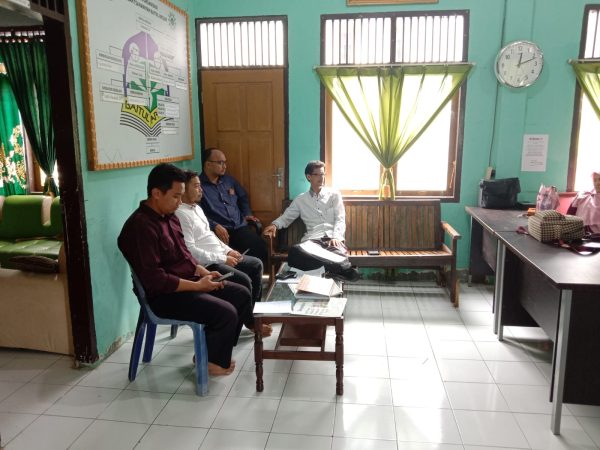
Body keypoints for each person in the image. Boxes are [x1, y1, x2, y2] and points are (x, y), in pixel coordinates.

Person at [118, 163, 254, 376]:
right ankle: (210, 361)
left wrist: (202, 272)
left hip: (188, 282)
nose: (180, 202)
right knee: (226, 312)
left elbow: (185, 255)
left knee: (241, 294)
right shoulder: (140, 227)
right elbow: (156, 280)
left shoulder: (169, 216)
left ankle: (212, 351)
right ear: (156, 193)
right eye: (176, 196)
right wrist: (198, 286)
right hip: (164, 296)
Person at [175, 170, 266, 312]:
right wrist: (223, 258)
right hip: (209, 264)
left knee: (256, 264)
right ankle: (249, 318)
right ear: (183, 189)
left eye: (200, 185)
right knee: (244, 280)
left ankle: (255, 312)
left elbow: (210, 235)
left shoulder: (197, 208)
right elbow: (190, 251)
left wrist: (229, 251)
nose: (201, 190)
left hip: (221, 256)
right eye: (196, 186)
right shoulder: (180, 214)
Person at [263, 160, 360, 281]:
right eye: (317, 174)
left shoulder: (334, 195)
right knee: (295, 251)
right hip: (312, 242)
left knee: (337, 256)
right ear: (309, 177)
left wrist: (336, 237)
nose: (321, 177)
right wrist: (274, 225)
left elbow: (340, 218)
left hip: (332, 241)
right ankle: (340, 269)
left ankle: (333, 268)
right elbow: (286, 217)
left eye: (323, 174)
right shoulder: (301, 200)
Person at [199, 148, 268, 263]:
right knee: (228, 257)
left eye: (225, 162)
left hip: (239, 227)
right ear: (208, 164)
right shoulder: (199, 186)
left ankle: (256, 274)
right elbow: (197, 213)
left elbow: (243, 197)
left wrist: (247, 214)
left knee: (260, 246)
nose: (224, 166)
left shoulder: (229, 180)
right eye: (220, 163)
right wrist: (214, 225)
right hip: (219, 231)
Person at [567, 170, 600, 234]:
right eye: (595, 180)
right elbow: (569, 215)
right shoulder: (583, 195)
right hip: (580, 232)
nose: (597, 183)